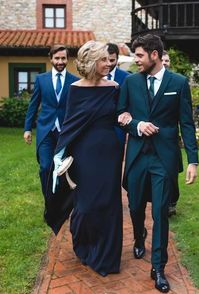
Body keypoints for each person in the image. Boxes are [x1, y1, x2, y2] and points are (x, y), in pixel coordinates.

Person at [118, 33, 198, 293]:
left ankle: (159, 268)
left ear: (154, 55)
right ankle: (139, 235)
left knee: (161, 212)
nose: (135, 60)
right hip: (138, 156)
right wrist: (136, 124)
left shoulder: (179, 82)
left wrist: (193, 161)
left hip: (164, 158)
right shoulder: (130, 83)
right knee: (136, 205)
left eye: (139, 55)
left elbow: (186, 123)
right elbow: (118, 115)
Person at [44, 41, 123, 277]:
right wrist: (62, 154)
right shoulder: (75, 89)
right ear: (90, 63)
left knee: (108, 204)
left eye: (109, 60)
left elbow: (119, 114)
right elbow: (70, 124)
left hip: (109, 152)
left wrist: (126, 115)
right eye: (103, 60)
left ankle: (107, 257)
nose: (108, 63)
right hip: (84, 154)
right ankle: (85, 245)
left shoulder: (115, 87)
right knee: (86, 205)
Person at [23, 45, 78, 199]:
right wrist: (27, 128)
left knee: (65, 167)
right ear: (51, 59)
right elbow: (33, 105)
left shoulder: (75, 82)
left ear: (67, 59)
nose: (60, 61)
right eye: (57, 58)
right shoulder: (41, 79)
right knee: (46, 167)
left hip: (66, 132)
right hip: (46, 130)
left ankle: (63, 201)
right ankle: (49, 201)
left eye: (63, 58)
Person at [162, 50, 183, 217]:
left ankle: (172, 202)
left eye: (168, 60)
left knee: (172, 173)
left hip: (171, 137)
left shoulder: (177, 82)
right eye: (163, 60)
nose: (165, 63)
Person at [107, 42, 130, 148]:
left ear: (117, 59)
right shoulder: (95, 76)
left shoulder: (127, 78)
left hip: (119, 129)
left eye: (112, 60)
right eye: (106, 59)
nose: (109, 64)